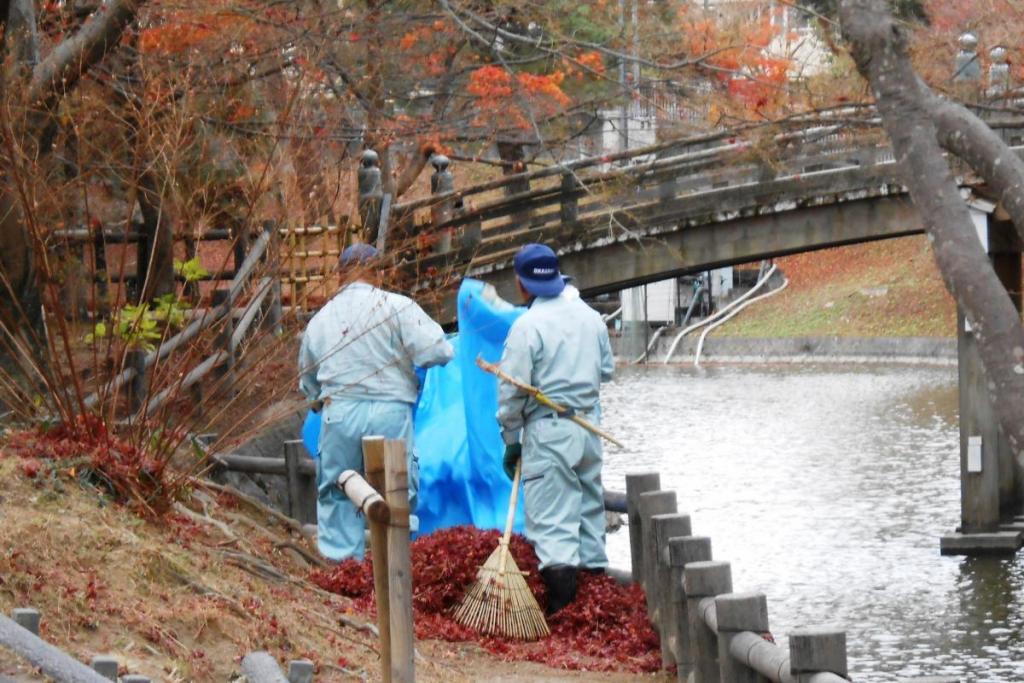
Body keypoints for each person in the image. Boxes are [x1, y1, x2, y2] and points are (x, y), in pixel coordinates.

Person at [298, 243, 454, 562]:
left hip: (339, 413)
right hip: (391, 410)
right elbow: (438, 350)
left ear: (341, 275)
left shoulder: (321, 319)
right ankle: (395, 568)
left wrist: (319, 400)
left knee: (339, 491)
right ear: (380, 272)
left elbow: (308, 380)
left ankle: (343, 572)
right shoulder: (397, 307)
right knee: (396, 492)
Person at [495, 243, 614, 614]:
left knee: (553, 528)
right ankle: (597, 613)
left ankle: (564, 617)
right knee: (590, 519)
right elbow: (606, 370)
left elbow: (511, 392)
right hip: (588, 427)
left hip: (549, 432)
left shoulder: (527, 326)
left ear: (522, 285)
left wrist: (511, 440)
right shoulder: (591, 317)